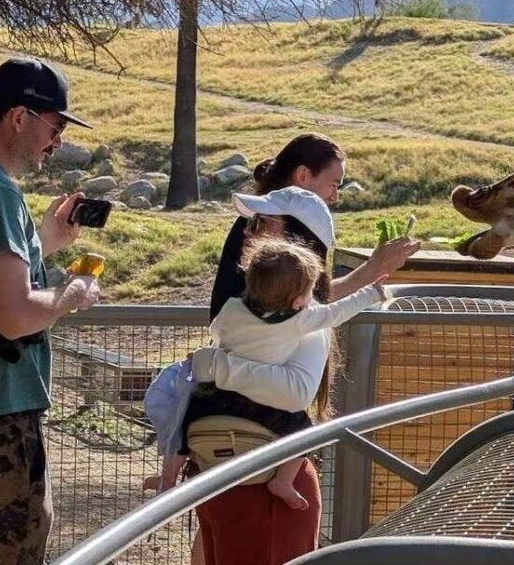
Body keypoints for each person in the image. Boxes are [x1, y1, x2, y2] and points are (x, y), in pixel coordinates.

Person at [0, 57, 100, 565]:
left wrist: (42, 244)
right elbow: (12, 315)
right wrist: (73, 294)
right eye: (55, 125)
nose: (56, 141)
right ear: (18, 117)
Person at [146, 198, 387, 509]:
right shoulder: (303, 320)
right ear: (301, 297)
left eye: (261, 223)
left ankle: (168, 479)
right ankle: (283, 481)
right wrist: (372, 292)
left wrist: (221, 360)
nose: (248, 232)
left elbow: (218, 331)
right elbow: (338, 312)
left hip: (215, 401)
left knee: (182, 421)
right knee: (303, 429)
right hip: (262, 420)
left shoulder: (233, 307)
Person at [210, 132, 418, 320]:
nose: (335, 197)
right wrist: (374, 269)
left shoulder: (264, 220)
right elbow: (309, 304)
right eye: (334, 184)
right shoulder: (272, 226)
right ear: (303, 175)